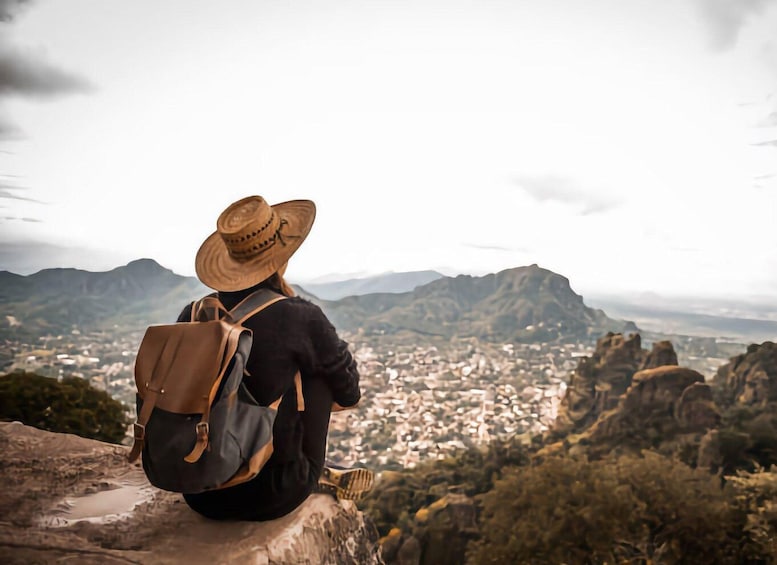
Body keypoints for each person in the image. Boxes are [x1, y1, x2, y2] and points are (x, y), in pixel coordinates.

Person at [179, 195, 373, 521]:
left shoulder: (195, 313)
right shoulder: (298, 317)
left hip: (196, 487)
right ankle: (307, 467)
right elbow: (349, 391)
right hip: (270, 492)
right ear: (281, 256)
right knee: (319, 370)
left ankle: (308, 464)